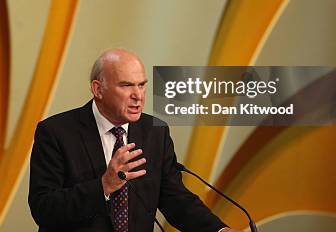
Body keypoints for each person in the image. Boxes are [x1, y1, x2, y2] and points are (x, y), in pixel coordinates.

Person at [29, 48, 240, 231]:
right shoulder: (56, 132)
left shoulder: (155, 133)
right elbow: (44, 208)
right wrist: (103, 186)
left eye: (142, 85)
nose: (138, 95)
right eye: (126, 85)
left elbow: (175, 199)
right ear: (98, 89)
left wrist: (219, 230)